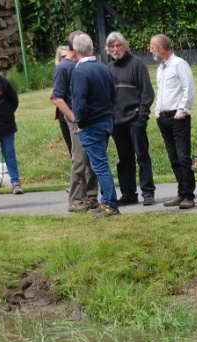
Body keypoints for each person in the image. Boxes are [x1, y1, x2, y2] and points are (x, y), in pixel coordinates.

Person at [70, 32, 120, 219]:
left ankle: (110, 205)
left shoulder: (80, 72)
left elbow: (79, 101)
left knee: (99, 166)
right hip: (106, 121)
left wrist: (81, 123)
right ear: (91, 48)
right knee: (99, 163)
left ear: (75, 51)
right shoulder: (103, 67)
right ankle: (106, 201)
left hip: (91, 124)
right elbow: (113, 95)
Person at [107, 31, 156, 207]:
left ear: (125, 46)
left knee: (142, 156)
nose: (115, 49)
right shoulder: (109, 68)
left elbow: (147, 92)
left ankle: (148, 192)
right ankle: (128, 193)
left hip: (135, 118)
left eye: (118, 45)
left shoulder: (137, 64)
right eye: (112, 46)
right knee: (124, 158)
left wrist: (142, 115)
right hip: (116, 121)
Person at [51, 32, 99, 212]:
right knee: (79, 159)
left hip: (90, 118)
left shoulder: (83, 63)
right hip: (75, 119)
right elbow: (58, 98)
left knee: (92, 158)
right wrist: (73, 118)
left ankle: (91, 197)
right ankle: (76, 200)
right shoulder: (63, 67)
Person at [149, 34, 196, 210]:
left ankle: (189, 196)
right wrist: (157, 111)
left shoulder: (179, 64)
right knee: (173, 158)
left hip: (178, 118)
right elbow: (161, 92)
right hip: (164, 118)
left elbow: (189, 88)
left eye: (152, 47)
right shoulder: (161, 69)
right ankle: (181, 193)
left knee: (183, 157)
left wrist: (181, 111)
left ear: (161, 49)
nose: (150, 50)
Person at [0, 66, 23, 196]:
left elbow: (14, 101)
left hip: (6, 126)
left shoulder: (2, 82)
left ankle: (15, 183)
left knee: (9, 154)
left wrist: (6, 114)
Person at [53, 45, 72, 156]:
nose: (66, 59)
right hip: (64, 114)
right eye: (63, 57)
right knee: (72, 147)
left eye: (68, 55)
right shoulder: (59, 71)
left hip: (76, 111)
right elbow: (55, 96)